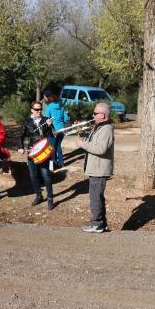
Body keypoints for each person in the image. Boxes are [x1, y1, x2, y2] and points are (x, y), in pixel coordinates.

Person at [75, 102, 114, 233]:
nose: (93, 115)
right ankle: (102, 223)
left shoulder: (106, 129)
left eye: (95, 113)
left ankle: (96, 223)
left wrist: (82, 145)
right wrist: (80, 132)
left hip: (99, 169)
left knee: (95, 197)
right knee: (98, 197)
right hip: (95, 168)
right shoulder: (99, 127)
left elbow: (100, 149)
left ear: (103, 115)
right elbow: (92, 141)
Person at [18, 101, 55, 210]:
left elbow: (53, 134)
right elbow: (21, 135)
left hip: (43, 151)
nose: (39, 111)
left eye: (40, 109)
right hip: (31, 151)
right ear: (31, 110)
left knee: (46, 175)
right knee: (33, 176)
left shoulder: (46, 120)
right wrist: (20, 147)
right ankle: (38, 195)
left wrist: (49, 126)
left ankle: (50, 198)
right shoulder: (27, 122)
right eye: (36, 110)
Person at [44, 90, 69, 169]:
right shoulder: (61, 107)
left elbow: (47, 120)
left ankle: (54, 163)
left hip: (53, 130)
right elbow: (66, 118)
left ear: (48, 97)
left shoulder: (49, 108)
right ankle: (61, 163)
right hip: (61, 129)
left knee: (52, 147)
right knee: (58, 146)